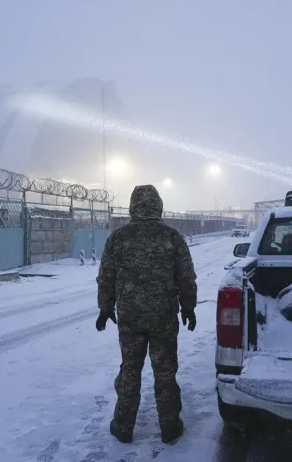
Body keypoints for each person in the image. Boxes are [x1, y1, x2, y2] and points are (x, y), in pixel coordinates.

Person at [96, 185, 197, 444]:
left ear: (132, 207)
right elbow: (186, 277)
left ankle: (123, 426)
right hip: (163, 317)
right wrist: (188, 307)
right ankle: (170, 426)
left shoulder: (119, 238)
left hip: (130, 318)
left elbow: (106, 276)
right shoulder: (172, 237)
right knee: (165, 371)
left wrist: (105, 308)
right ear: (158, 206)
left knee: (130, 370)